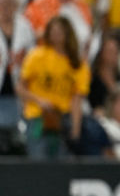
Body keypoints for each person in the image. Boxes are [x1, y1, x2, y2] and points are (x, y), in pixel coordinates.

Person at [17, 16, 89, 159]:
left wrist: (76, 128)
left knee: (61, 164)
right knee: (37, 160)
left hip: (62, 119)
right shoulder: (37, 55)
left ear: (68, 33)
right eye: (53, 31)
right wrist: (39, 100)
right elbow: (20, 88)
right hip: (37, 117)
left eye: (60, 31)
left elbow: (76, 100)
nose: (56, 35)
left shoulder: (77, 64)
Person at [23, 0, 92, 52]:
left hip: (81, 57)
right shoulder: (38, 5)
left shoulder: (82, 6)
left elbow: (90, 32)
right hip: (50, 56)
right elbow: (29, 34)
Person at [0, 0, 33, 133]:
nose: (6, 7)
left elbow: (32, 54)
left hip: (17, 85)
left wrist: (23, 59)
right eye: (2, 3)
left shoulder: (25, 26)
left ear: (16, 5)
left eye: (9, 3)